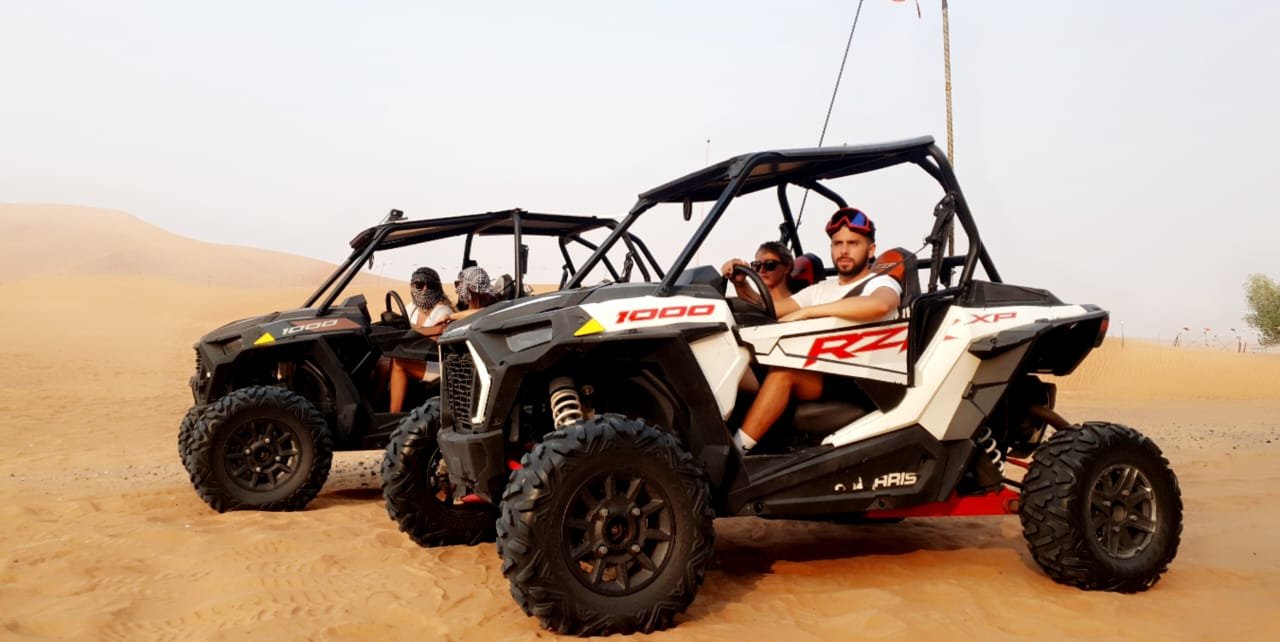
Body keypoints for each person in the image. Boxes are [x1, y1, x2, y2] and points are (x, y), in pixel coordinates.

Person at [721, 207, 902, 453]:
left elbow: (879, 304)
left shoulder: (879, 282)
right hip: (817, 369)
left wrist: (808, 312)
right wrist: (741, 285)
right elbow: (768, 308)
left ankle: (736, 454)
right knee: (733, 363)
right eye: (837, 244)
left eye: (853, 243)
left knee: (783, 374)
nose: (844, 250)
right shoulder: (820, 290)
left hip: (860, 378)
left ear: (870, 250)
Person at [389, 267, 454, 413]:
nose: (425, 289)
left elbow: (437, 335)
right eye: (419, 285)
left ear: (437, 288)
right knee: (382, 362)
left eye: (430, 285)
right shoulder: (410, 308)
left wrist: (408, 327)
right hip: (417, 357)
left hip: (437, 363)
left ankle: (393, 415)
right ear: (412, 286)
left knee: (399, 363)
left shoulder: (443, 311)